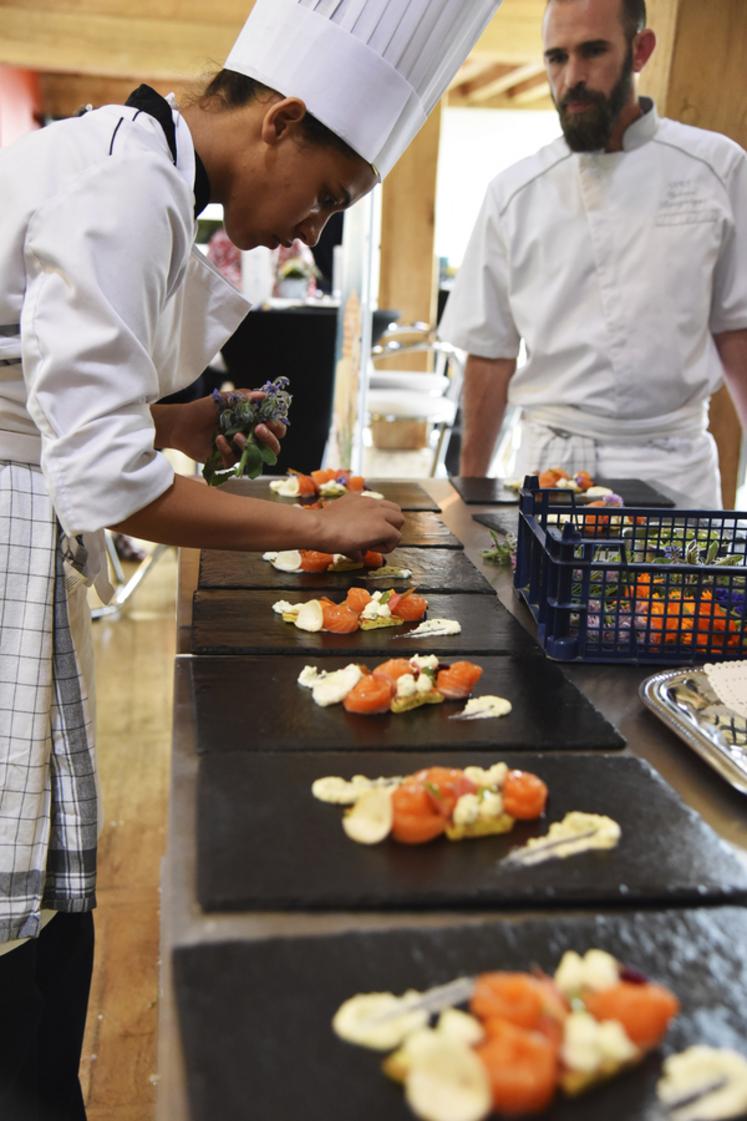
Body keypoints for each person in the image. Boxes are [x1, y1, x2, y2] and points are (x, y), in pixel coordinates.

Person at [0, 0, 503, 1116]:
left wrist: (205, 429)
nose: (314, 232)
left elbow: (74, 394)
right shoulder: (129, 188)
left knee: (40, 894)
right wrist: (317, 524)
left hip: (23, 513)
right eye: (328, 196)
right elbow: (106, 483)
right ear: (280, 120)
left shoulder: (148, 168)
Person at [439, 0, 747, 508]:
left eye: (593, 52)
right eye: (556, 58)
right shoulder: (513, 193)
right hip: (553, 463)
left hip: (675, 462)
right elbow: (490, 354)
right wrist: (471, 496)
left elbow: (737, 330)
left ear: (640, 50)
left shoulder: (718, 169)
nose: (572, 77)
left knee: (683, 593)